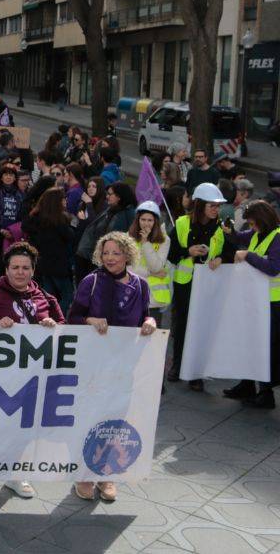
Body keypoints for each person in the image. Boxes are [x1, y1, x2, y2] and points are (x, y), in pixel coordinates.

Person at [0, 242, 63, 501]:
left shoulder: (45, 298)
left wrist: (53, 325)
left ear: (33, 270)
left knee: (23, 429)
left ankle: (15, 474)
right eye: (15, 267)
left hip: (33, 378)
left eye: (25, 268)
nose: (20, 272)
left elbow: (65, 331)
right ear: (6, 269)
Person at [68, 231, 157, 502]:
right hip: (94, 366)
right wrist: (90, 320)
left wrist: (150, 323)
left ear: (128, 255)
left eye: (115, 253)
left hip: (124, 366)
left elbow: (146, 316)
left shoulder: (141, 286)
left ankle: (106, 474)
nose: (109, 258)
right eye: (105, 252)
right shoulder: (91, 282)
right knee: (91, 418)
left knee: (115, 421)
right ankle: (83, 474)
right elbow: (73, 317)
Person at [166, 183, 233, 390]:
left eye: (218, 206)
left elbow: (232, 250)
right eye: (212, 206)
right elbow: (171, 254)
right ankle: (177, 366)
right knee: (182, 325)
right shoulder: (182, 223)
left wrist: (221, 258)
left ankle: (197, 374)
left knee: (202, 328)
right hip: (185, 285)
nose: (216, 210)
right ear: (200, 205)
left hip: (208, 286)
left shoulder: (222, 227)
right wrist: (188, 251)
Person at [223, 201, 280, 408]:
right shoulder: (259, 234)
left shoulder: (277, 237)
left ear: (262, 220)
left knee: (266, 347)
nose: (251, 227)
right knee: (251, 342)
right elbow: (239, 237)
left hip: (273, 303)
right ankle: (247, 385)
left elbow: (274, 268)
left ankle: (266, 393)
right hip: (258, 300)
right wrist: (229, 230)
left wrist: (248, 255)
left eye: (253, 223)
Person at [22, 187, 76, 313]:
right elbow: (71, 236)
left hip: (42, 264)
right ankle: (56, 317)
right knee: (68, 295)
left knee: (48, 296)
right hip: (58, 266)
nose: (66, 201)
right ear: (56, 202)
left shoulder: (36, 219)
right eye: (63, 199)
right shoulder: (59, 221)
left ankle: (48, 316)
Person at [128, 201, 172, 334]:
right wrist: (151, 274)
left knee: (151, 339)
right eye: (143, 219)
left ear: (156, 222)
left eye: (150, 220)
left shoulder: (164, 240)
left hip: (153, 301)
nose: (146, 223)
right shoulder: (128, 237)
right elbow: (127, 268)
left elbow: (157, 266)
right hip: (132, 295)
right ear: (137, 220)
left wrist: (145, 243)